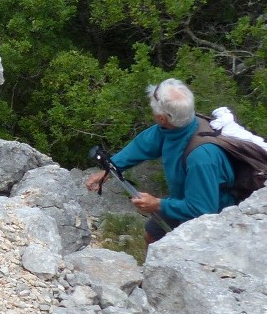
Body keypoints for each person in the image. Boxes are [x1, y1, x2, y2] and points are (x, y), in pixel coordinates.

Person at [85, 78, 236, 244]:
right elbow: (144, 145)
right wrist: (110, 169)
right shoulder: (174, 128)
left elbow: (203, 211)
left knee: (173, 247)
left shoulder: (202, 157)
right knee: (152, 235)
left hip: (215, 215)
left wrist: (158, 204)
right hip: (184, 199)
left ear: (162, 118)